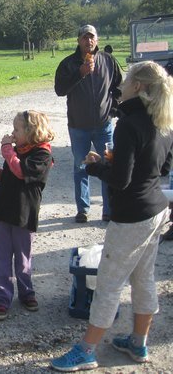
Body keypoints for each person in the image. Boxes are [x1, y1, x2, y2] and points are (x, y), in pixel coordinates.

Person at [51, 61, 173, 371]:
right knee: (144, 278)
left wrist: (95, 166)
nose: (122, 83)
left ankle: (87, 350)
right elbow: (163, 168)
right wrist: (123, 161)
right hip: (156, 211)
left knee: (108, 283)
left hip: (131, 216)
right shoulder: (164, 120)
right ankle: (138, 343)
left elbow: (120, 181)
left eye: (129, 78)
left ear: (139, 87)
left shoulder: (129, 125)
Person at [0, 110, 54, 320]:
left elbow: (21, 172)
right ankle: (1, 300)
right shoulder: (17, 151)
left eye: (16, 129)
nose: (12, 134)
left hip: (24, 213)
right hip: (3, 210)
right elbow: (9, 177)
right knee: (1, 258)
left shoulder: (42, 155)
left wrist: (6, 149)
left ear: (31, 131)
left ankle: (26, 293)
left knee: (23, 258)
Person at [55, 24, 122, 223]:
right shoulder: (68, 64)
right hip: (78, 127)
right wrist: (80, 73)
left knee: (108, 166)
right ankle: (83, 209)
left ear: (97, 40)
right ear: (78, 41)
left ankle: (108, 210)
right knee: (80, 167)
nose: (88, 41)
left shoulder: (108, 60)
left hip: (104, 125)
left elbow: (119, 86)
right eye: (84, 37)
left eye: (92, 37)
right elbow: (60, 90)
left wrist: (113, 109)